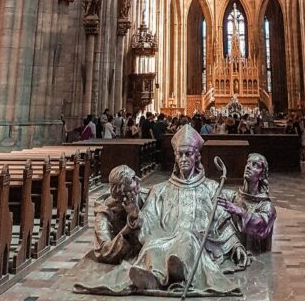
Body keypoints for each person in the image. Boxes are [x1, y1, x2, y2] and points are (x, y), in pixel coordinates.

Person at [75, 124, 247, 296]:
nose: (184, 158)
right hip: (163, 238)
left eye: (188, 154)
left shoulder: (210, 187)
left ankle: (177, 270)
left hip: (192, 239)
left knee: (185, 239)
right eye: (180, 154)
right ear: (175, 157)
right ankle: (153, 276)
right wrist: (135, 215)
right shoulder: (160, 189)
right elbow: (148, 221)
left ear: (197, 157)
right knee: (151, 244)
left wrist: (235, 245)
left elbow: (220, 222)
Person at [219, 153, 276, 254]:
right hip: (232, 251)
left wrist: (240, 212)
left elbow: (261, 225)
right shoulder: (234, 197)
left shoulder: (266, 205)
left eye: (255, 165)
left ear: (262, 175)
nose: (249, 166)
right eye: (248, 163)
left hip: (255, 257)